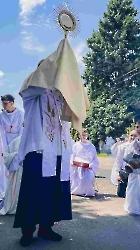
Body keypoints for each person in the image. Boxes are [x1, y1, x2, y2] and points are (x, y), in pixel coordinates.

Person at [13, 37, 89, 247]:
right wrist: (58, 56)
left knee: (52, 192)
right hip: (37, 152)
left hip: (58, 153)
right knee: (33, 193)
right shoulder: (32, 92)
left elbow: (78, 101)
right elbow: (39, 81)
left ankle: (46, 227)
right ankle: (28, 231)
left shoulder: (60, 97)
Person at [0, 95, 24, 201]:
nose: (4, 106)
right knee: (2, 169)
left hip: (16, 144)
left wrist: (15, 149)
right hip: (3, 144)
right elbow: (2, 133)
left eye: (6, 103)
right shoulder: (1, 116)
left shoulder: (20, 115)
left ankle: (14, 194)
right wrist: (5, 150)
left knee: (15, 169)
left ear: (12, 103)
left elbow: (21, 132)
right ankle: (2, 193)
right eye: (2, 103)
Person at [0, 136, 23, 215]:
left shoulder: (38, 139)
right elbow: (6, 154)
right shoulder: (17, 140)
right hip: (18, 171)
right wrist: (16, 156)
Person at [70, 129, 99, 197]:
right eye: (82, 135)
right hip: (77, 167)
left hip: (88, 167)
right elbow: (72, 155)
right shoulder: (76, 145)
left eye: (85, 135)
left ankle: (88, 191)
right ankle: (77, 191)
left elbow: (95, 159)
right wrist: (72, 162)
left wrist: (91, 165)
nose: (84, 136)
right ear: (79, 136)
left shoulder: (91, 146)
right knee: (77, 177)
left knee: (89, 177)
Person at [110, 130, 138, 197]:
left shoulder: (139, 147)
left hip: (135, 174)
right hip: (124, 173)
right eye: (131, 135)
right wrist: (118, 174)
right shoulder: (122, 147)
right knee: (121, 194)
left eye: (135, 136)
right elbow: (118, 161)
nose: (132, 137)